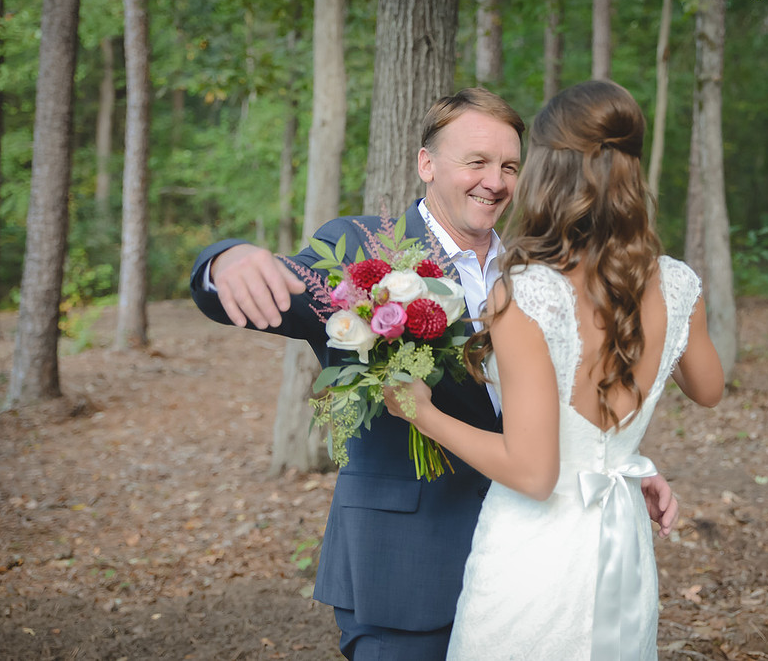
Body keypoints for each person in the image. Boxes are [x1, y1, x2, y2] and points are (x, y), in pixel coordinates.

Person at [190, 86, 680, 660]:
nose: (494, 182)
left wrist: (610, 464)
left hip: (526, 566)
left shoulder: (541, 268)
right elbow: (284, 288)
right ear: (427, 163)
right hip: (404, 566)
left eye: (509, 166)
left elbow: (558, 395)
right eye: (476, 162)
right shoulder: (362, 250)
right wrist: (224, 261)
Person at [384, 79, 725, 660]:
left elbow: (534, 473)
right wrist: (620, 454)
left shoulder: (527, 293)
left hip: (533, 555)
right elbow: (708, 389)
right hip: (621, 544)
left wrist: (423, 413)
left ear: (550, 170)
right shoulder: (675, 282)